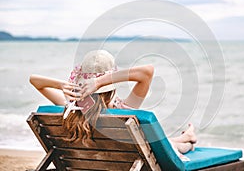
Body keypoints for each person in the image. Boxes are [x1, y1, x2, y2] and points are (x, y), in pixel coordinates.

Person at [29, 50, 197, 159]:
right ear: (111, 88)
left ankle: (187, 136)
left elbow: (34, 80)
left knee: (164, 141)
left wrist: (61, 85)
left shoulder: (73, 111)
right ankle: (188, 138)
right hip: (125, 161)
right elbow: (147, 72)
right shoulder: (121, 111)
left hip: (89, 162)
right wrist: (100, 81)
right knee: (168, 145)